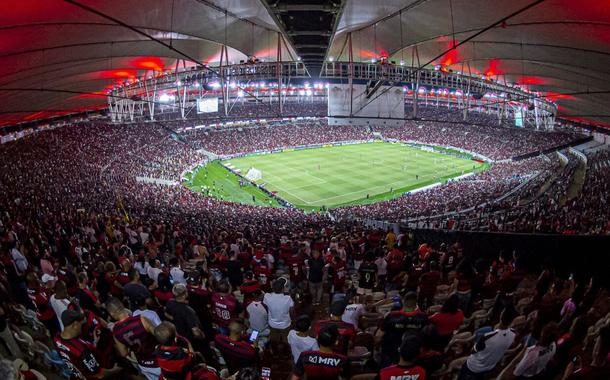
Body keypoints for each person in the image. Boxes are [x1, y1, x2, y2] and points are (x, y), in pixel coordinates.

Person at [54, 309, 121, 379]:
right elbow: (100, 374)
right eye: (80, 324)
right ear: (75, 324)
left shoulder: (57, 339)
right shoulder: (81, 350)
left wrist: (93, 344)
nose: (81, 327)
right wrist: (116, 370)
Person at [106, 297, 161, 380]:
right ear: (122, 306)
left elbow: (123, 353)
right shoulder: (141, 319)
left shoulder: (115, 331)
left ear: (111, 313)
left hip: (145, 364)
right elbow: (159, 336)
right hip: (159, 359)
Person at [459, 308, 516, 380]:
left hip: (474, 366)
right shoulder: (513, 334)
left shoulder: (488, 336)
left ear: (501, 316)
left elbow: (473, 350)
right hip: (490, 366)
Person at [154, 321, 219, 380]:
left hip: (169, 376)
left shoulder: (157, 349)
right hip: (184, 376)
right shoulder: (181, 353)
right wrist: (188, 343)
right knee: (208, 369)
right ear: (175, 339)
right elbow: (192, 358)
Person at [379, 291, 428, 367]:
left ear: (403, 301)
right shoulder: (423, 317)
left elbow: (380, 334)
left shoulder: (391, 315)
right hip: (412, 355)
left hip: (391, 352)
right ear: (416, 303)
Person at [263, 279, 294, 344]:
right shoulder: (288, 298)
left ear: (273, 288)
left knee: (275, 341)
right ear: (283, 289)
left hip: (272, 324)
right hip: (285, 324)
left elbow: (265, 306)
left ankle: (275, 351)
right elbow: (291, 310)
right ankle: (286, 351)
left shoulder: (267, 296)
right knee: (286, 341)